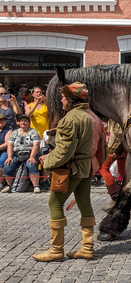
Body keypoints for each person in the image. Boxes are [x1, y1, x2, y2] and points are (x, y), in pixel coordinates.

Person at [33, 82, 95, 262]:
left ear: (70, 99)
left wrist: (48, 161)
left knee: (55, 203)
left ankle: (56, 249)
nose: (61, 100)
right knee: (84, 203)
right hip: (84, 166)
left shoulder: (70, 119)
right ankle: (87, 247)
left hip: (71, 168)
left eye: (63, 97)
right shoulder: (86, 116)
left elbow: (64, 151)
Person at [2, 115, 41, 193]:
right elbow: (10, 145)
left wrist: (32, 156)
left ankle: (36, 186)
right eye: (22, 121)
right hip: (17, 154)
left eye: (25, 121)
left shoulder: (33, 131)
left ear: (29, 123)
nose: (23, 122)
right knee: (8, 165)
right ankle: (9, 185)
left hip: (30, 154)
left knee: (31, 164)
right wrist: (9, 156)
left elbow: (36, 145)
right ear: (19, 123)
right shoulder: (15, 132)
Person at [0, 113, 14, 191]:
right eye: (0, 120)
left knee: (1, 162)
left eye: (3, 120)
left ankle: (1, 182)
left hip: (5, 150)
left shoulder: (8, 130)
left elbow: (7, 143)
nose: (2, 121)